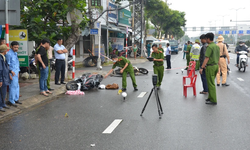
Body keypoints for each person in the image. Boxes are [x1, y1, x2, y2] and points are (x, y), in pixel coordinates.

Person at [199, 33, 220, 105]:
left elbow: (206, 58)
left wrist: (202, 67)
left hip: (210, 66)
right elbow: (218, 57)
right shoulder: (216, 46)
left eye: (206, 38)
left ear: (208, 38)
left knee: (211, 84)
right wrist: (219, 68)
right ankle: (210, 97)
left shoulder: (209, 47)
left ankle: (213, 100)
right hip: (215, 65)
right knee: (210, 82)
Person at [5, 41, 21, 107]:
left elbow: (17, 64)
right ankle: (11, 101)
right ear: (11, 47)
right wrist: (9, 74)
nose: (16, 48)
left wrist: (18, 72)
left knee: (17, 86)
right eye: (15, 47)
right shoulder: (9, 54)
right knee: (13, 87)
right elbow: (7, 65)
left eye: (17, 47)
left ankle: (16, 99)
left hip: (16, 72)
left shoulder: (15, 53)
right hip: (12, 73)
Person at [0, 45, 13, 112]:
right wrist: (0, 80)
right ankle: (0, 105)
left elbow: (6, 67)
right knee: (1, 92)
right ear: (4, 50)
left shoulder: (3, 57)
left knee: (4, 91)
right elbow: (0, 70)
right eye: (6, 50)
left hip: (5, 77)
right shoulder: (0, 58)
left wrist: (10, 71)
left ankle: (3, 104)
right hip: (2, 77)